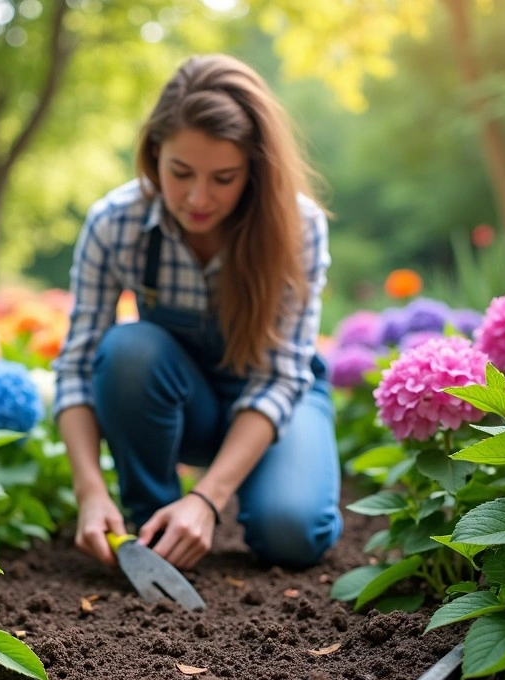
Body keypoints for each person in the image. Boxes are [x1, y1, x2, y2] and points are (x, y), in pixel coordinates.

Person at [53, 54, 342, 572]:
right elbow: (76, 368)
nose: (197, 197)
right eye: (180, 172)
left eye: (223, 178)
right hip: (181, 401)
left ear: (254, 170)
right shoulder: (114, 224)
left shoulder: (296, 228)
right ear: (153, 154)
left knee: (291, 533)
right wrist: (89, 490)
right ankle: (155, 526)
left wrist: (209, 497)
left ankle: (222, 499)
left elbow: (279, 378)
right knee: (127, 352)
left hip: (276, 399)